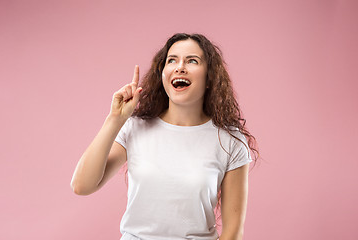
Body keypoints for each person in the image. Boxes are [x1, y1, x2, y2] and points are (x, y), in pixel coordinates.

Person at [71, 33, 259, 240]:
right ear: (162, 74)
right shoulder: (135, 127)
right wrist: (115, 119)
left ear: (209, 78)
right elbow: (82, 186)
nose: (180, 67)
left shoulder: (230, 141)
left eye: (192, 61)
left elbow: (233, 233)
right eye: (172, 60)